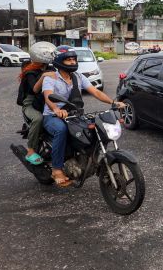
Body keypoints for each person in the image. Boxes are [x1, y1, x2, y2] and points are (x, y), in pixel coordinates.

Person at [42, 46, 124, 187]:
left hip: (74, 115)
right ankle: (56, 169)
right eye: (68, 59)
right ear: (59, 61)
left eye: (74, 59)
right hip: (52, 116)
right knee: (61, 130)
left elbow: (96, 92)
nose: (73, 62)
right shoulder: (51, 77)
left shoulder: (78, 77)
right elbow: (48, 96)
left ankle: (89, 160)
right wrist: (56, 109)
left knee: (95, 129)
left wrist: (113, 102)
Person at [17, 42, 56, 165]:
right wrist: (44, 76)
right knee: (38, 119)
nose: (51, 55)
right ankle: (30, 151)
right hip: (31, 103)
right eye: (48, 53)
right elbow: (35, 89)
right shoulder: (30, 72)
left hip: (48, 99)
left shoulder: (51, 68)